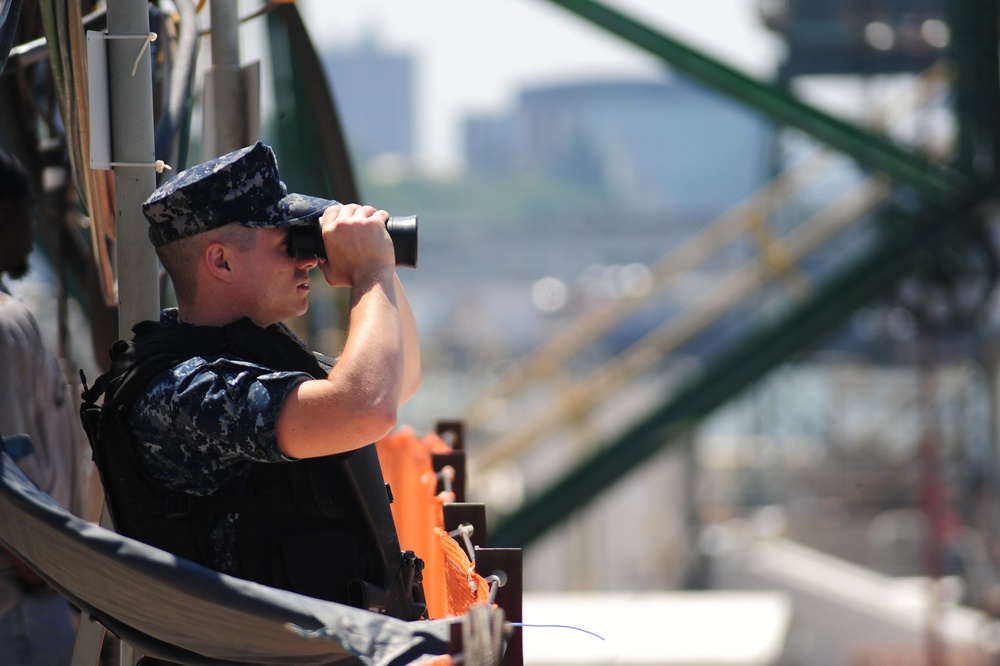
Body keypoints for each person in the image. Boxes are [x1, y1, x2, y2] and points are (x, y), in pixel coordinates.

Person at [81, 141, 426, 618]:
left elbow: (399, 380)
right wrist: (369, 272)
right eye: (288, 242)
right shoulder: (185, 388)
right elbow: (367, 409)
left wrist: (381, 268)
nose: (307, 259)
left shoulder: (252, 354)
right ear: (221, 261)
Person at [0, 149, 88, 664]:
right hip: (24, 601)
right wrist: (47, 576)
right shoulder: (6, 325)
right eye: (26, 210)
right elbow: (8, 477)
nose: (33, 228)